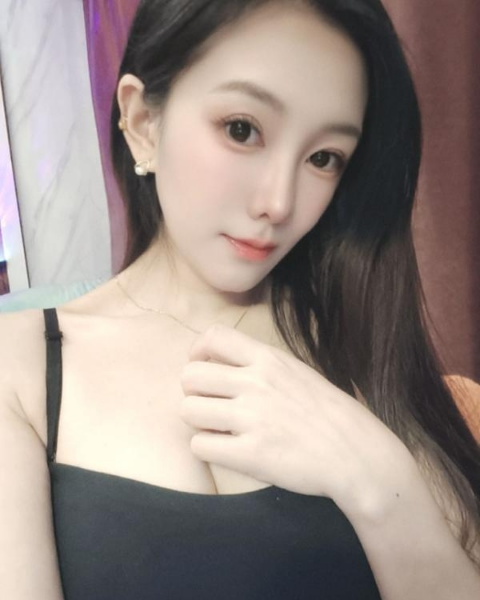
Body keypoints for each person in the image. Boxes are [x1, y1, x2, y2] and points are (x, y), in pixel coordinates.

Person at [0, 0, 479, 598]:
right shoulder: (21, 366)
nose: (279, 203)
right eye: (242, 130)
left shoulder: (363, 339)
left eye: (323, 158)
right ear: (143, 121)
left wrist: (381, 487)